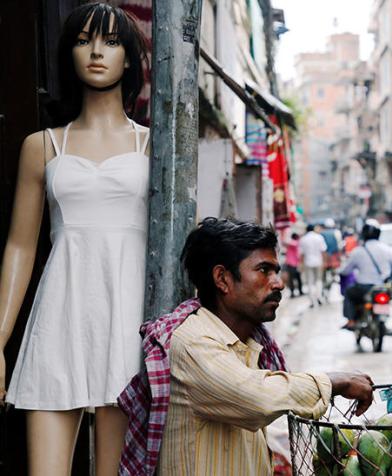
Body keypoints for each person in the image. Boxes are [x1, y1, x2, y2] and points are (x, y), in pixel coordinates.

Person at [0, 4, 149, 474]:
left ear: (130, 58)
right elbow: (20, 246)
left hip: (129, 328)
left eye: (110, 41)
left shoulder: (155, 146)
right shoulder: (42, 145)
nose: (96, 52)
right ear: (69, 54)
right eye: (84, 41)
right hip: (58, 321)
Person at [158, 218, 374, 476]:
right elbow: (256, 397)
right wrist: (333, 382)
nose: (278, 283)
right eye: (263, 270)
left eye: (276, 271)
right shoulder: (193, 342)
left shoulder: (247, 345)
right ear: (222, 279)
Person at [340, 219, 392, 331]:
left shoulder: (358, 251)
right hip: (383, 287)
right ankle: (383, 324)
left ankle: (351, 321)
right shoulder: (387, 249)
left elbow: (346, 270)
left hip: (363, 288)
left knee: (349, 292)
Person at [299, 224, 328, 307]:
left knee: (310, 282)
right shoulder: (319, 237)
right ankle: (319, 297)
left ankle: (312, 300)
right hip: (318, 261)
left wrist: (301, 264)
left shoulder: (303, 239)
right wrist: (325, 262)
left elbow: (302, 254)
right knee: (318, 280)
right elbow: (323, 251)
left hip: (308, 262)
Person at [283, 232, 303, 297]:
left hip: (290, 263)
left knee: (291, 279)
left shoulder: (291, 244)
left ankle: (292, 293)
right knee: (298, 278)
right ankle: (299, 291)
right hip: (295, 264)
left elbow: (285, 242)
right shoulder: (296, 243)